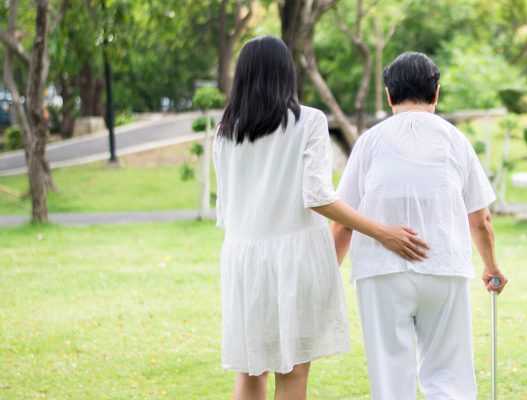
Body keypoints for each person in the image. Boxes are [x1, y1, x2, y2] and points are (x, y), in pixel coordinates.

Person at [213, 36, 429, 400]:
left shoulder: (225, 133)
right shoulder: (308, 121)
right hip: (295, 259)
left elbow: (226, 212)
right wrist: (380, 232)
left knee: (251, 372)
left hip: (243, 262)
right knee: (293, 373)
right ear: (287, 74)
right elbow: (316, 196)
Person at [332, 51, 508, 400]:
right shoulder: (455, 140)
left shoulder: (369, 142)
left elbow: (343, 220)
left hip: (381, 273)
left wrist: (326, 273)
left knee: (391, 377)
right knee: (449, 376)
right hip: (443, 267)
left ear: (389, 95)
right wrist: (491, 266)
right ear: (436, 93)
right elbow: (481, 219)